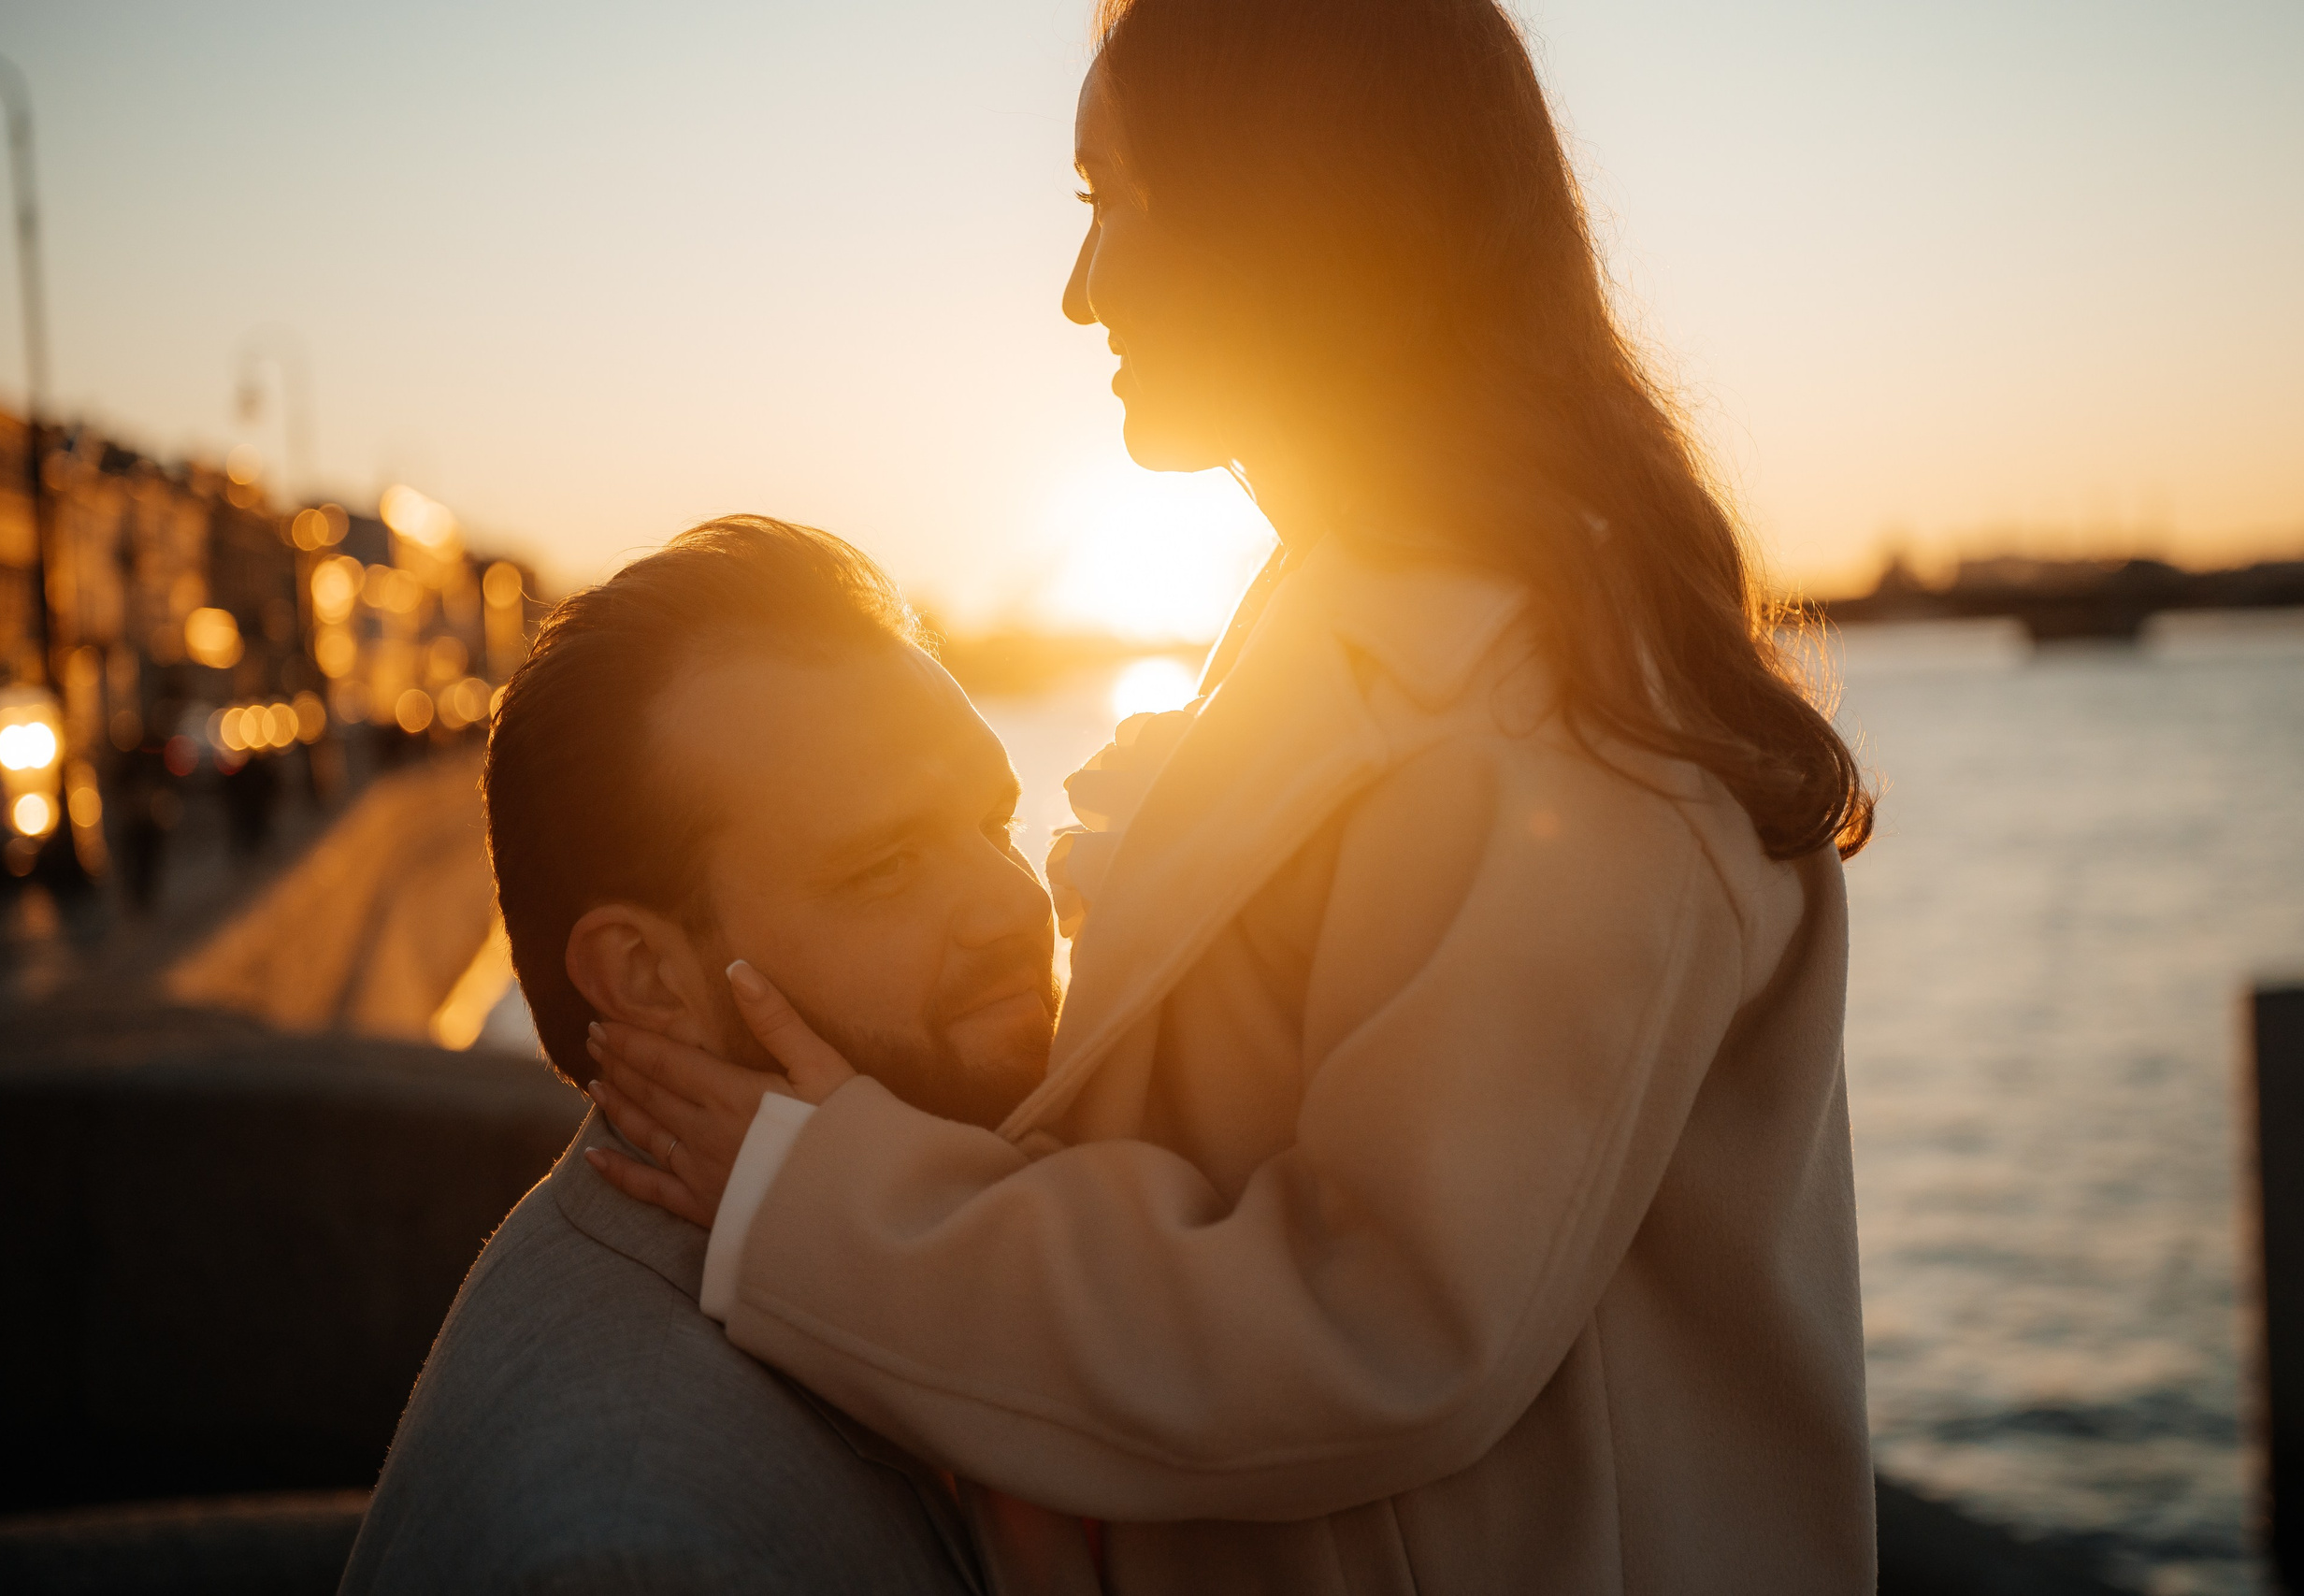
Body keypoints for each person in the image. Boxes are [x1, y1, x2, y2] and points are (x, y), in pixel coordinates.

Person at [582, 0, 1881, 1592]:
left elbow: (1381, 1333)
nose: (1081, 289)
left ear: (1297, 212)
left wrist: (823, 1207)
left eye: (1115, 201)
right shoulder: (1357, 633)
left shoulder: (1562, 729)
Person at [339, 517, 1058, 1596]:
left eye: (997, 825)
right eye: (886, 866)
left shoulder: (823, 1269)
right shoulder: (640, 1553)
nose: (1015, 906)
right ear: (646, 980)